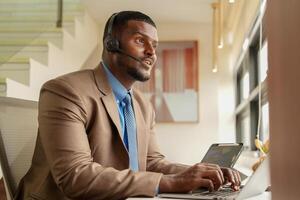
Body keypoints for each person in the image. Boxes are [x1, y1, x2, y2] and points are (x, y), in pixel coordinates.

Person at [16, 11, 241, 200]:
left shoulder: (143, 105)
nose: (152, 53)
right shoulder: (65, 91)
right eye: (140, 41)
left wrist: (201, 174)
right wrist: (171, 183)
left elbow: (152, 162)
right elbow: (76, 176)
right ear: (111, 44)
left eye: (154, 45)